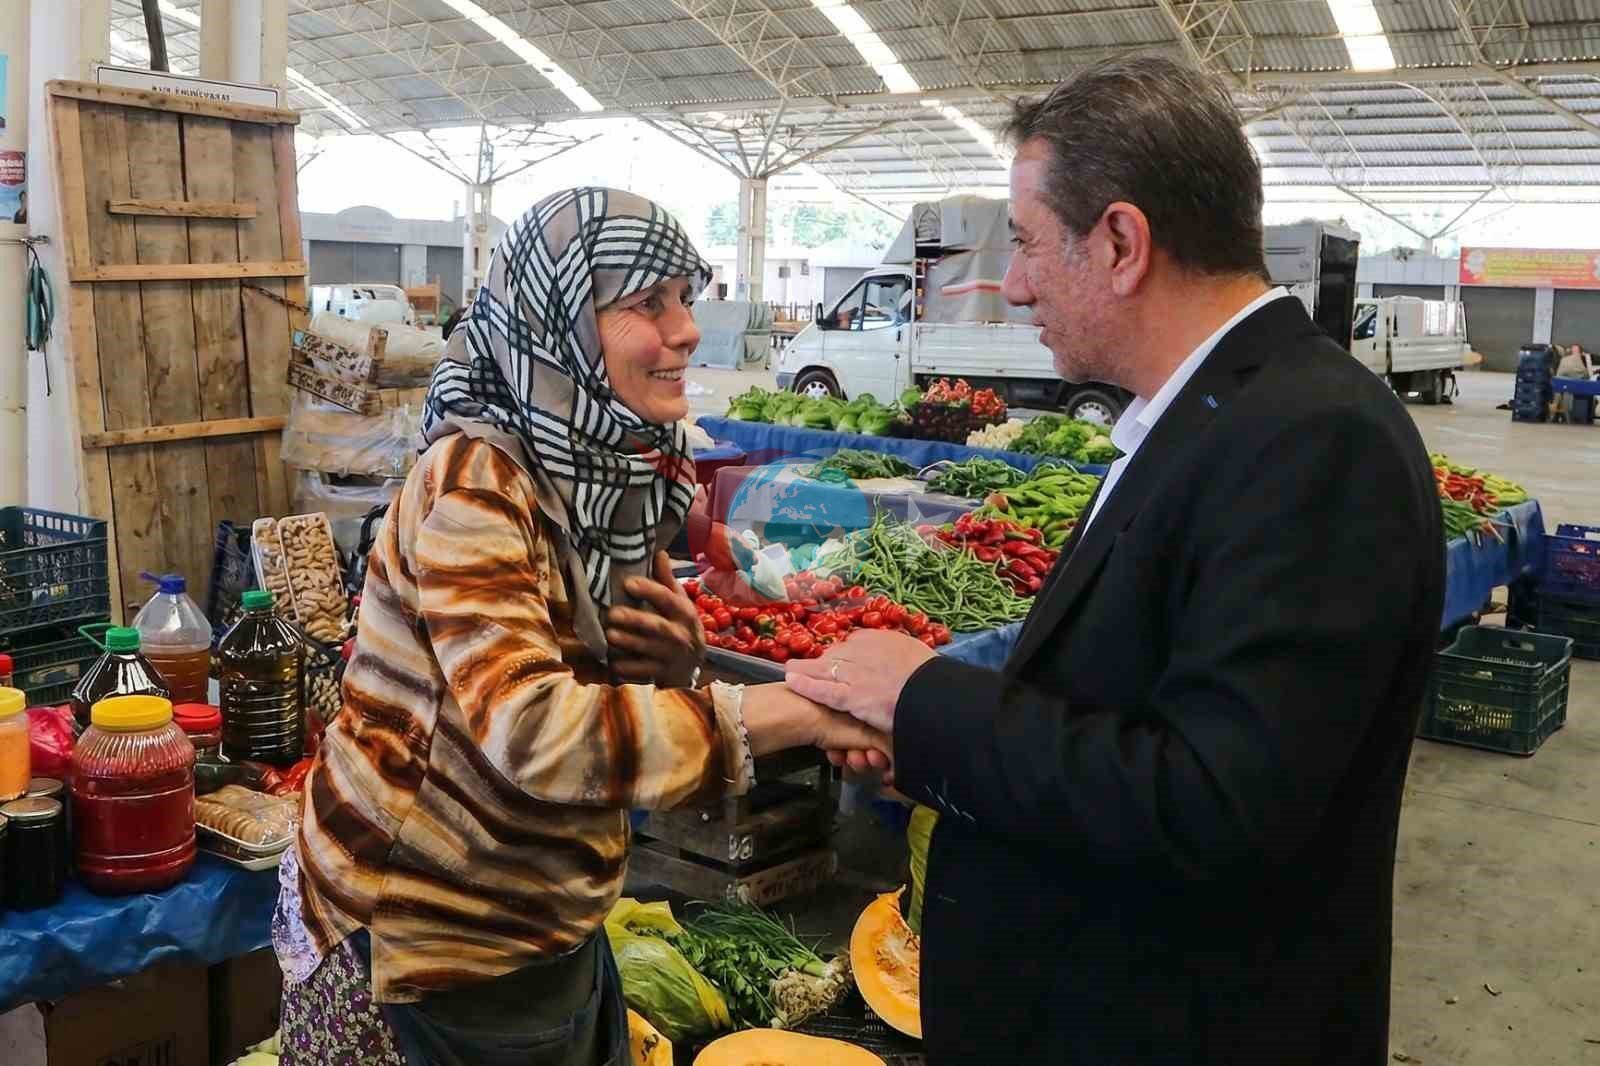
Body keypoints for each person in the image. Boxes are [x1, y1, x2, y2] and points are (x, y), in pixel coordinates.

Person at [786, 56, 1445, 1065]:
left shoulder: (1313, 441)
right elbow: (1120, 695)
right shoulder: (1208, 416)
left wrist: (928, 701)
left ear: (1122, 243)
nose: (1010, 285)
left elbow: (1211, 804)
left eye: (1028, 243)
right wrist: (928, 741)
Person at [274, 187, 885, 1066]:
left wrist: (675, 668)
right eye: (647, 303)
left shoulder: (616, 470)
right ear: (559, 318)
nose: (685, 329)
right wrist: (797, 712)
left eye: (685, 295)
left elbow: (585, 677)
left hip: (551, 901)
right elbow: (532, 730)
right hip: (442, 929)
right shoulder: (480, 485)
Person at [1554, 342, 1596, 421]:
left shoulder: (1566, 359)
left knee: (1560, 394)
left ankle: (1559, 416)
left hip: (1564, 382)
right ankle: (1562, 415)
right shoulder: (1567, 359)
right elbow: (1587, 375)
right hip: (1572, 382)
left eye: (1575, 349)